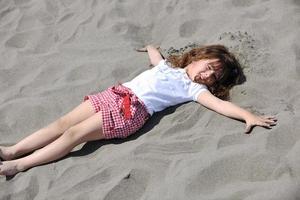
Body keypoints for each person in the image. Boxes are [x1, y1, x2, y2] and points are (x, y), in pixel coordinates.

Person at [0, 44, 277, 176]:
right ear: (198, 57)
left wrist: (247, 115)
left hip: (130, 111)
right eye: (208, 67)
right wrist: (151, 48)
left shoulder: (194, 90)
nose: (207, 75)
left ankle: (19, 165)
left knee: (74, 134)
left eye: (214, 77)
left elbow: (220, 104)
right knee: (62, 123)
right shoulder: (168, 66)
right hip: (114, 93)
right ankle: (12, 150)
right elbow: (156, 60)